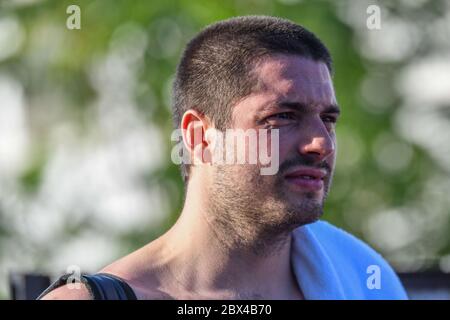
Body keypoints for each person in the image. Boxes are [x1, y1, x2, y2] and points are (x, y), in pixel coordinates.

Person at [39, 15, 407, 300]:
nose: (321, 143)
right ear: (200, 136)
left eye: (328, 120)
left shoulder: (365, 279)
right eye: (282, 117)